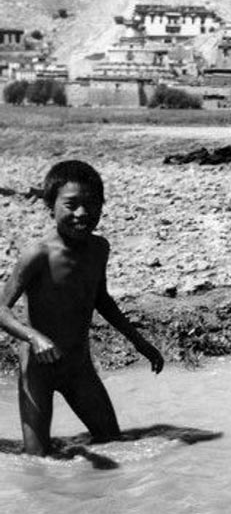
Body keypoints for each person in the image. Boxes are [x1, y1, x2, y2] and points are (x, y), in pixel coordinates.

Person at [0, 160, 164, 456]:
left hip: (79, 366)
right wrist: (34, 338)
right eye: (71, 205)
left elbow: (102, 299)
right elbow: (1, 309)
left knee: (114, 446)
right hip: (38, 370)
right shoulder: (37, 254)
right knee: (37, 461)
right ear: (50, 207)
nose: (82, 213)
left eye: (91, 204)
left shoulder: (100, 249)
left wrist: (140, 343)